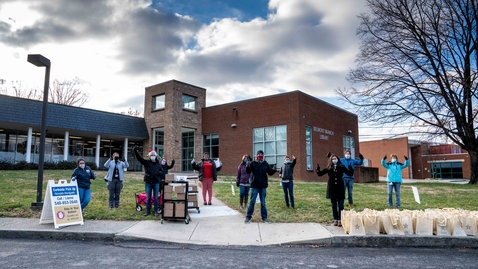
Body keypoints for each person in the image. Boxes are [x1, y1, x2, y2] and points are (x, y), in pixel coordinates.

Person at [316, 154, 353, 227]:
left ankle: (340, 219)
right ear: (331, 160)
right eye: (333, 159)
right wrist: (318, 169)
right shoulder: (329, 168)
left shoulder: (341, 167)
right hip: (332, 187)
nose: (334, 160)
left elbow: (349, 173)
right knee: (333, 205)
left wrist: (350, 168)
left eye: (335, 158)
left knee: (341, 204)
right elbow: (320, 174)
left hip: (340, 187)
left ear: (338, 159)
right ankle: (335, 219)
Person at [244, 150, 276, 224]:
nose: (260, 155)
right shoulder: (253, 163)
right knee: (252, 202)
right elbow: (248, 171)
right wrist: (247, 166)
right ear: (256, 155)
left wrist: (274, 169)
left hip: (263, 186)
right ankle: (248, 217)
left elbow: (270, 172)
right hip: (255, 185)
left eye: (261, 154)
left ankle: (264, 218)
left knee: (263, 203)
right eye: (259, 154)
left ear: (263, 156)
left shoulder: (265, 163)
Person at [133, 146, 164, 216]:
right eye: (151, 155)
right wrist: (135, 151)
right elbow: (139, 159)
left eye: (154, 155)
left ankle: (156, 211)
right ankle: (147, 211)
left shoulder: (158, 164)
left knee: (156, 197)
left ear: (155, 156)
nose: (153, 156)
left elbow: (162, 172)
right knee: (148, 197)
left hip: (156, 182)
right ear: (149, 156)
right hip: (148, 182)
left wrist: (157, 173)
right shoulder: (146, 162)